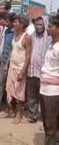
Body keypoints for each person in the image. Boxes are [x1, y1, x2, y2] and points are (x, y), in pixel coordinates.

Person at [5, 14, 32, 124]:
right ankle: (11, 111)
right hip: (12, 66)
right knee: (9, 89)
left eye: (16, 22)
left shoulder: (27, 37)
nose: (14, 24)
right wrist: (6, 64)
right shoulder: (15, 35)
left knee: (19, 93)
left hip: (20, 68)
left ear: (22, 24)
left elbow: (28, 56)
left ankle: (19, 114)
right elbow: (11, 50)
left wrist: (23, 71)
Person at [24, 16, 51, 123]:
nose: (38, 27)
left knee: (44, 98)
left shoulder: (48, 38)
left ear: (45, 25)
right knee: (31, 95)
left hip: (43, 72)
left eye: (41, 25)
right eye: (37, 24)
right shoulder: (31, 36)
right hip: (32, 71)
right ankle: (32, 116)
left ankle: (45, 119)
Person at [39, 17, 59, 145]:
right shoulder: (51, 45)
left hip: (53, 91)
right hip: (44, 88)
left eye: (51, 27)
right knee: (46, 121)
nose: (47, 28)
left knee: (51, 124)